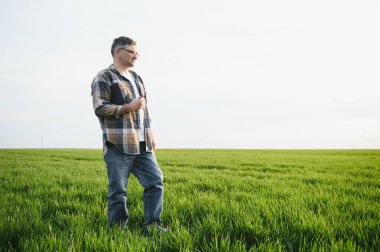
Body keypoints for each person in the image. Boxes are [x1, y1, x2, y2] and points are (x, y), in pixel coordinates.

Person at [91, 36, 165, 233]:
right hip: (118, 144)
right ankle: (118, 231)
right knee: (118, 191)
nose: (135, 56)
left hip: (143, 144)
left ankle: (153, 226)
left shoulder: (137, 78)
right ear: (118, 52)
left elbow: (144, 111)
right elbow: (100, 108)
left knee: (155, 182)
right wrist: (127, 107)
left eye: (136, 53)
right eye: (131, 52)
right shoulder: (104, 77)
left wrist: (151, 135)